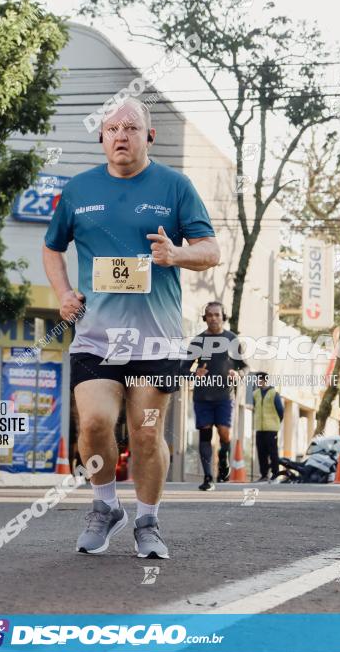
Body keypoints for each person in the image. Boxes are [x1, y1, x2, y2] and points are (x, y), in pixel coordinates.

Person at [42, 97, 220, 559]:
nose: (121, 135)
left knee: (145, 431)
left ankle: (147, 520)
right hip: (96, 336)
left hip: (155, 337)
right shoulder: (78, 191)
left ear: (149, 137)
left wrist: (176, 254)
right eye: (112, 128)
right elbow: (51, 248)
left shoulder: (175, 186)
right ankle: (105, 506)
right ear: (101, 138)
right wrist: (63, 293)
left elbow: (211, 249)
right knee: (96, 422)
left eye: (131, 128)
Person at [184, 301, 247, 491]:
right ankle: (208, 477)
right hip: (202, 396)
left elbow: (245, 366)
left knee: (223, 432)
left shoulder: (232, 339)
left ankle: (224, 458)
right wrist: (195, 374)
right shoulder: (198, 341)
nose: (213, 318)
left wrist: (238, 374)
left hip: (224, 396)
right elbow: (182, 368)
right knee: (205, 432)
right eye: (209, 315)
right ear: (205, 318)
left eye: (217, 314)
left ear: (223, 317)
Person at [253, 371, 284, 481]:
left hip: (271, 428)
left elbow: (281, 410)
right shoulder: (256, 393)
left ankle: (275, 473)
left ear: (264, 380)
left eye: (258, 380)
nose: (256, 382)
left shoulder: (273, 393)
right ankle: (264, 475)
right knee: (261, 452)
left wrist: (276, 422)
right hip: (259, 428)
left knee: (272, 452)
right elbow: (255, 408)